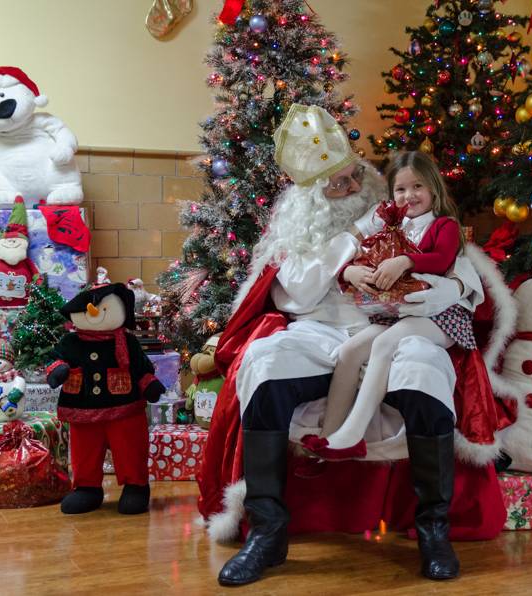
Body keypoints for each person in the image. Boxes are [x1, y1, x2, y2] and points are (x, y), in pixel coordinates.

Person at [197, 104, 512, 587]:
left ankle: (433, 529)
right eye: (336, 185)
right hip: (317, 330)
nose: (350, 189)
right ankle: (268, 530)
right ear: (311, 197)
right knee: (262, 362)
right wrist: (348, 249)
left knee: (427, 371)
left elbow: (454, 262)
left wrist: (450, 289)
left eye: (353, 177)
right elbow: (298, 292)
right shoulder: (298, 233)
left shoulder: (399, 210)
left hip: (396, 325)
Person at [303, 151, 475, 459]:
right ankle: (329, 438)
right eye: (401, 189)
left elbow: (441, 260)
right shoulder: (390, 228)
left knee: (384, 345)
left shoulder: (444, 226)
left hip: (439, 317)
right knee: (349, 351)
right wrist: (349, 272)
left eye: (418, 186)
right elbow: (364, 255)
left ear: (433, 188)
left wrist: (405, 261)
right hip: (397, 316)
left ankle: (352, 435)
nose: (409, 195)